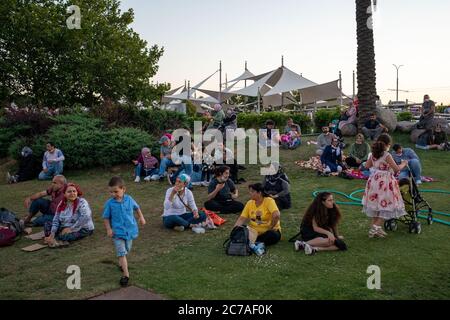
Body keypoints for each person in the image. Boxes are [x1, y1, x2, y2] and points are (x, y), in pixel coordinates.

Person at [103, 176, 146, 287]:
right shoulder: (110, 204)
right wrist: (109, 229)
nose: (113, 194)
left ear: (123, 189)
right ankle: (126, 275)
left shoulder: (129, 199)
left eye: (116, 191)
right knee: (122, 253)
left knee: (127, 250)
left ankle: (121, 263)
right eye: (111, 192)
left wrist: (141, 217)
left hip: (130, 231)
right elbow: (106, 217)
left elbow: (137, 208)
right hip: (117, 233)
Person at [362, 135, 408, 238]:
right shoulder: (387, 155)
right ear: (387, 145)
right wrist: (404, 164)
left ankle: (376, 229)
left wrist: (376, 165)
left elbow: (366, 166)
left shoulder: (373, 154)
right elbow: (396, 169)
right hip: (385, 182)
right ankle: (375, 227)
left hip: (374, 180)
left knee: (376, 205)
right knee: (386, 205)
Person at [233, 183, 282, 254]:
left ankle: (249, 242)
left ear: (259, 193)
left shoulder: (269, 201)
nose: (250, 193)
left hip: (268, 232)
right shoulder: (250, 203)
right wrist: (234, 231)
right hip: (254, 232)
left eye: (252, 191)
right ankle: (253, 242)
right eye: (250, 191)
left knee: (272, 234)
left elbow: (276, 215)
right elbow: (242, 218)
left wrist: (271, 226)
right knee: (241, 228)